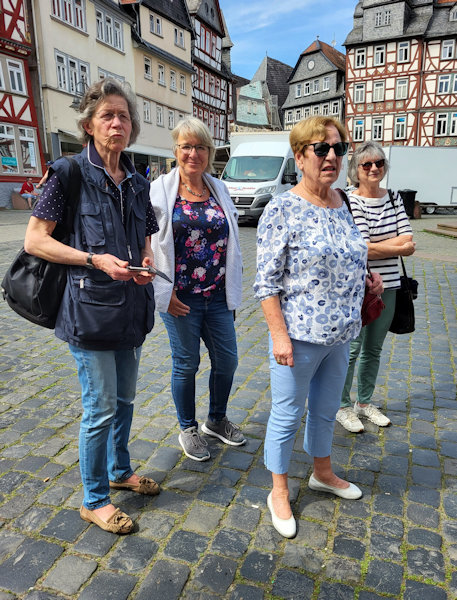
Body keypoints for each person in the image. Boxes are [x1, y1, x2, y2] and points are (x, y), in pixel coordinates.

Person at [24, 79, 160, 534]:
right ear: (89, 125)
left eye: (124, 116)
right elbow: (35, 240)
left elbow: (146, 237)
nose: (117, 123)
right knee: (100, 407)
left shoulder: (139, 182)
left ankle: (120, 471)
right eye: (108, 116)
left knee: (125, 401)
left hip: (132, 308)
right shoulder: (68, 174)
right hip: (89, 311)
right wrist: (93, 259)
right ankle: (94, 499)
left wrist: (146, 260)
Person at [254, 116, 384, 538]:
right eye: (321, 148)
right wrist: (279, 336)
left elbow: (351, 253)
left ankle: (322, 473)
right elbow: (266, 282)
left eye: (338, 149)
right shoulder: (281, 209)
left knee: (326, 410)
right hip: (299, 337)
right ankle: (278, 490)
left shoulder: (342, 202)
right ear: (299, 156)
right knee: (287, 414)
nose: (331, 157)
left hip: (341, 334)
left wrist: (368, 277)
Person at [150, 117, 246, 462]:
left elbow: (231, 241)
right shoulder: (159, 190)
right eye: (186, 146)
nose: (193, 153)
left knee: (227, 361)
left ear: (210, 151)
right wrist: (164, 291)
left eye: (200, 147)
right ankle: (188, 427)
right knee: (186, 363)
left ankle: (216, 420)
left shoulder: (218, 188)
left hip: (217, 295)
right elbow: (150, 243)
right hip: (181, 298)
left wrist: (231, 288)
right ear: (176, 150)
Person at [336, 141, 415, 433]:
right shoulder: (350, 201)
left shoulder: (393, 197)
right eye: (366, 164)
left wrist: (377, 246)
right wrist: (394, 246)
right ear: (356, 170)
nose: (373, 168)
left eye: (379, 163)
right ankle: (342, 406)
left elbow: (408, 239)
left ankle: (364, 402)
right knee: (352, 348)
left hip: (391, 285)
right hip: (359, 286)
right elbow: (362, 248)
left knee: (374, 349)